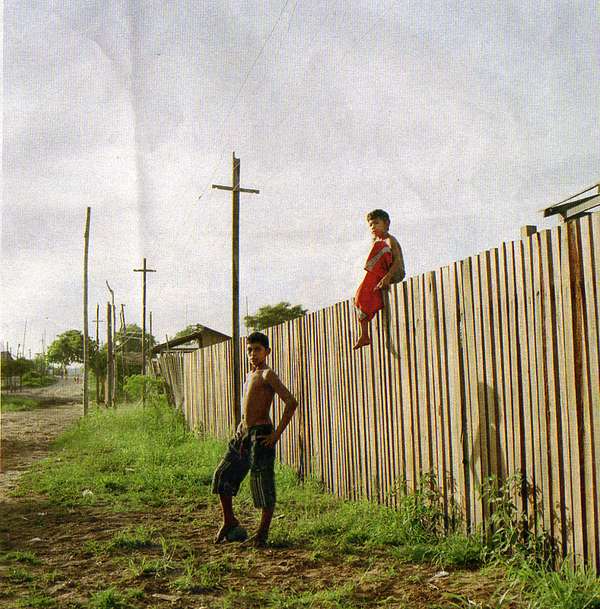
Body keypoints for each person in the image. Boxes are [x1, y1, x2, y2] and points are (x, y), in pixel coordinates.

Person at [212, 331, 298, 548]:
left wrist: (276, 434)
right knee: (222, 475)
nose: (253, 354)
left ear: (267, 352)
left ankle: (261, 534)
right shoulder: (249, 376)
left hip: (261, 436)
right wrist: (241, 426)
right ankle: (229, 521)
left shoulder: (267, 375)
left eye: (257, 349)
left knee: (262, 485)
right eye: (249, 350)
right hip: (243, 435)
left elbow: (291, 402)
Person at [353, 209, 405, 350]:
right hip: (379, 275)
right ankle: (364, 335)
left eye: (376, 223)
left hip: (394, 272)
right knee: (359, 296)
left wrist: (387, 277)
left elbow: (398, 262)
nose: (373, 227)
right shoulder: (377, 241)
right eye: (370, 225)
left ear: (386, 223)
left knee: (379, 246)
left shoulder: (388, 240)